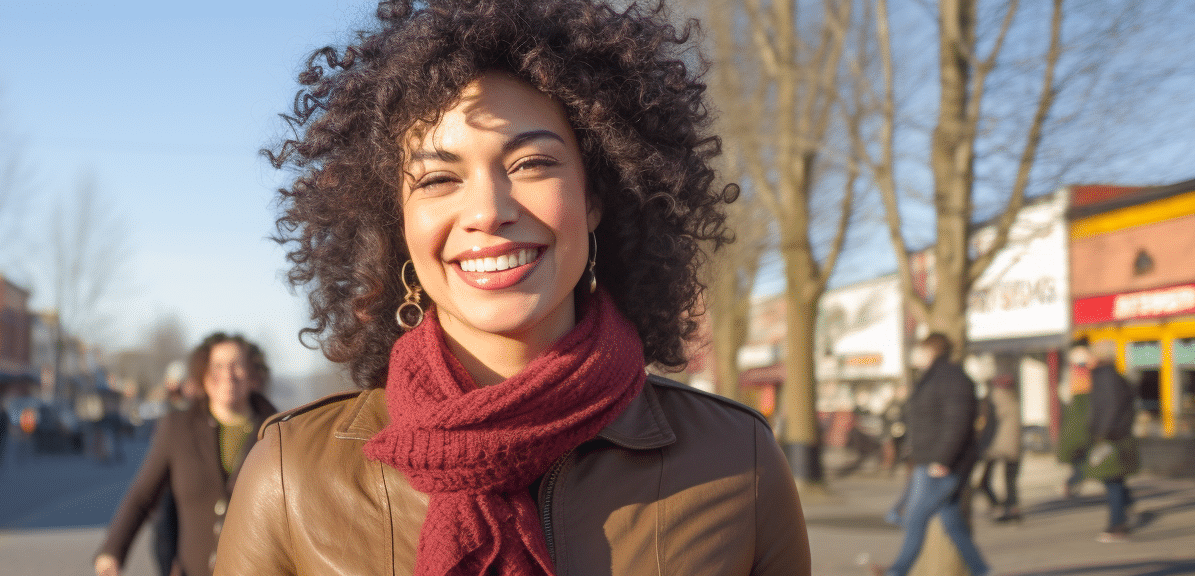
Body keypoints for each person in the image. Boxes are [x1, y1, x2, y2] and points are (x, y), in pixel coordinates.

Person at [214, 1, 810, 573]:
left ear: (595, 195)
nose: (489, 210)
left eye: (532, 164)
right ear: (396, 222)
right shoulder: (291, 476)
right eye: (438, 178)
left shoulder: (739, 462)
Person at [95, 333, 278, 576]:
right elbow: (141, 495)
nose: (227, 374)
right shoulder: (177, 427)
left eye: (237, 365)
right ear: (203, 372)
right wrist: (113, 551)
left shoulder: (277, 432)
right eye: (218, 365)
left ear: (253, 374)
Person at [877, 333, 990, 576]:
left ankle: (896, 572)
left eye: (918, 349)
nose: (914, 354)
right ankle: (981, 570)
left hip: (939, 465)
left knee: (914, 519)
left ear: (929, 351)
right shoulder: (933, 378)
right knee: (952, 524)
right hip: (929, 460)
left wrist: (942, 460)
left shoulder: (950, 379)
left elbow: (957, 423)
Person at [1079, 340, 1141, 542]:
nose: (1088, 358)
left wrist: (1101, 434)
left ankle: (1117, 525)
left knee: (1112, 480)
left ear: (1099, 356)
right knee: (1116, 480)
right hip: (1116, 435)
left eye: (1091, 354)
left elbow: (1110, 407)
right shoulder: (1109, 376)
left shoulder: (1106, 377)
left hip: (1111, 437)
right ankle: (1127, 508)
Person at [149, 359, 197, 576]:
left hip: (189, 477)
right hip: (167, 479)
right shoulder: (166, 410)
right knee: (164, 528)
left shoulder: (195, 408)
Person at [978, 375, 1024, 522]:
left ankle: (999, 508)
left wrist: (982, 442)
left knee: (985, 481)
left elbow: (989, 425)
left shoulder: (995, 400)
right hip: (1013, 445)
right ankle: (1011, 508)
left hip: (996, 445)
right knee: (1010, 480)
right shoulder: (1013, 399)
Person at [1057, 340, 1095, 499]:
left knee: (1079, 462)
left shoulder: (1070, 377)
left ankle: (1071, 484)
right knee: (1083, 463)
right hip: (1083, 429)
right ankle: (1070, 484)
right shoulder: (1083, 377)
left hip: (1076, 431)